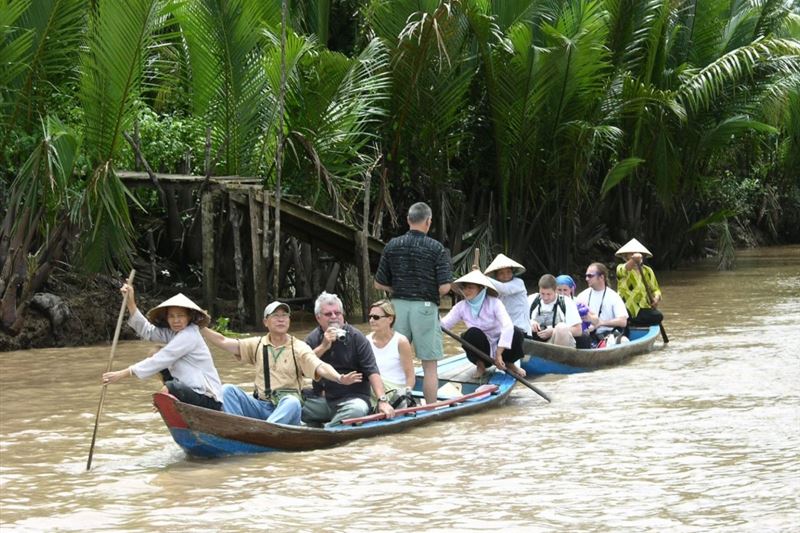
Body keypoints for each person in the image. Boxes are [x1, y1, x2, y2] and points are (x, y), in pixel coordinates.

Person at [201, 301, 361, 425]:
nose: (281, 319)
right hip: (261, 405)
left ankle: (265, 432)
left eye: (284, 316)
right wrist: (201, 327)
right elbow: (223, 341)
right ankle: (236, 429)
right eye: (276, 316)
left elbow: (320, 366)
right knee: (228, 389)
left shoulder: (298, 347)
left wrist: (339, 378)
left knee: (292, 402)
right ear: (265, 322)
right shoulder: (256, 344)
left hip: (285, 409)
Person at [374, 201, 452, 405]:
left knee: (395, 358)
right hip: (425, 308)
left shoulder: (392, 245)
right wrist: (425, 291)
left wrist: (397, 290)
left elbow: (378, 282)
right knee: (429, 366)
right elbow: (445, 288)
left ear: (408, 220)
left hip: (396, 308)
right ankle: (431, 409)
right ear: (429, 221)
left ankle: (390, 402)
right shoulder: (436, 248)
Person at [102, 285, 223, 411]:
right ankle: (169, 395)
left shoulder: (190, 335)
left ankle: (169, 394)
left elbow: (162, 358)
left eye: (180, 316)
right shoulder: (173, 333)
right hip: (188, 389)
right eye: (171, 316)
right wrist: (130, 302)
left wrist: (123, 373)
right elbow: (147, 331)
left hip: (207, 398)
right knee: (154, 351)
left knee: (169, 386)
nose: (176, 320)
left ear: (189, 317)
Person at [303, 292, 395, 427]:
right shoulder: (312, 338)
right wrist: (323, 346)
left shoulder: (357, 337)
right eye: (328, 314)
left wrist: (382, 400)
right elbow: (301, 369)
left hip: (352, 400)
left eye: (337, 313)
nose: (334, 317)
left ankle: (326, 430)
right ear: (318, 318)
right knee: (293, 405)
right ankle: (329, 425)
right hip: (322, 401)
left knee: (357, 410)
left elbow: (372, 371)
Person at [440, 269, 526, 378]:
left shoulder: (494, 303)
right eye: (465, 287)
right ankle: (480, 365)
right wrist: (433, 314)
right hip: (481, 350)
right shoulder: (461, 306)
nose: (466, 291)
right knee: (471, 333)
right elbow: (444, 325)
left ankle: (509, 363)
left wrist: (499, 354)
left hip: (502, 348)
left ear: (480, 289)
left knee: (516, 332)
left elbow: (507, 326)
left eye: (470, 287)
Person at [366, 299, 416, 401]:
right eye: (370, 317)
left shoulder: (401, 341)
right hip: (374, 386)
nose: (371, 320)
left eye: (376, 317)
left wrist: (406, 393)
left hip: (394, 390)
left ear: (390, 319)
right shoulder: (366, 340)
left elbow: (410, 375)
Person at [575, 262, 629, 348]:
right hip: (587, 335)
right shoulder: (582, 296)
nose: (586, 279)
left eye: (590, 276)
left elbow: (623, 322)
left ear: (601, 277)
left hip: (608, 334)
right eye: (586, 276)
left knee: (624, 341)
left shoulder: (613, 296)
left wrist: (600, 323)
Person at [615, 238, 664, 327]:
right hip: (626, 309)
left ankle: (631, 323)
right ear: (626, 256)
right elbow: (625, 269)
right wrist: (634, 260)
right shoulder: (621, 268)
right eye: (631, 254)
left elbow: (656, 290)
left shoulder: (648, 271)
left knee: (658, 316)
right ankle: (628, 322)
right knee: (626, 315)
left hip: (643, 309)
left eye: (638, 254)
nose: (635, 255)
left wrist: (656, 298)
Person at [527, 274, 582, 347]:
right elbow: (519, 321)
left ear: (556, 290)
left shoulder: (566, 302)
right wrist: (530, 323)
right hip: (534, 342)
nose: (545, 298)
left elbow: (578, 330)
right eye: (542, 294)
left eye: (549, 294)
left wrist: (553, 331)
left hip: (558, 343)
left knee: (561, 327)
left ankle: (558, 357)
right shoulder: (531, 299)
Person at [484, 253, 531, 335]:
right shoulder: (495, 290)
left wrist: (482, 277)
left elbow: (504, 289)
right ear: (497, 276)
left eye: (508, 272)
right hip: (505, 331)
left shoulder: (518, 283)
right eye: (501, 273)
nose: (506, 275)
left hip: (521, 330)